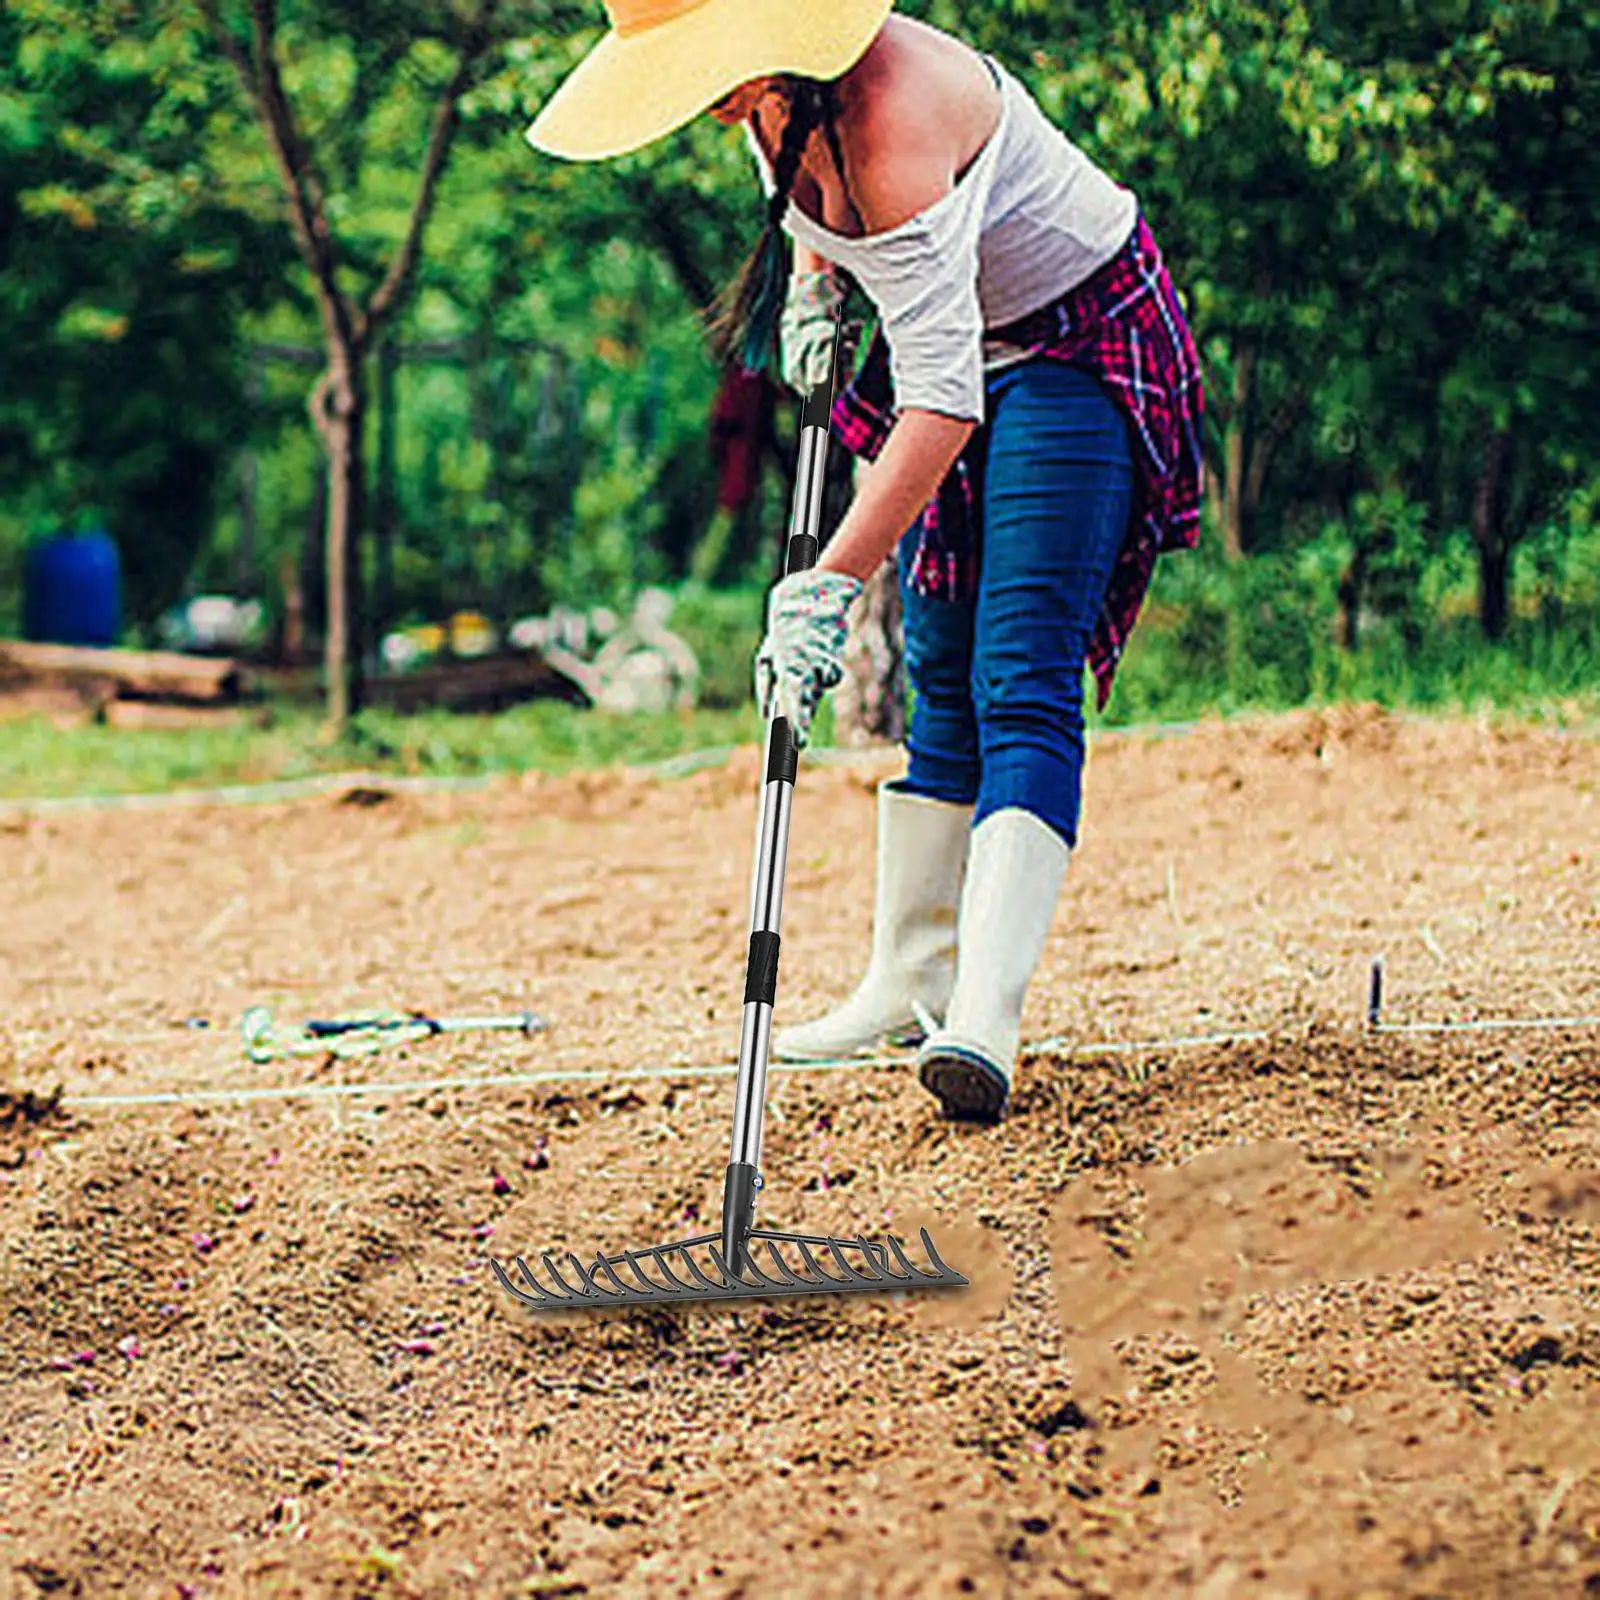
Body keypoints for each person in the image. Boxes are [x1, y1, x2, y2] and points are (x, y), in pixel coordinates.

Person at [527, 0, 1204, 1124]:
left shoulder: (892, 118)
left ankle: (983, 1015)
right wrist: (811, 284)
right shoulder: (769, 106)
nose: (701, 93)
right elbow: (836, 235)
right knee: (939, 666)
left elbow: (941, 403)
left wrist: (825, 585)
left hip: (1074, 342)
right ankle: (909, 978)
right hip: (959, 342)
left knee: (1019, 669)